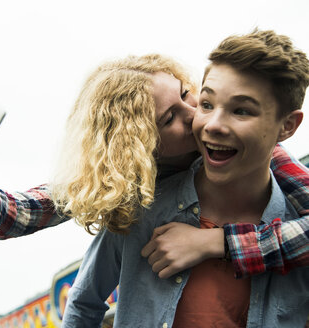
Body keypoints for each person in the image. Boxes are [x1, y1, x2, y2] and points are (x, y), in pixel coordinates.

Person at [0, 45, 309, 279]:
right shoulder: (128, 178)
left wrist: (216, 242)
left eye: (189, 95)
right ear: (136, 146)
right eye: (169, 118)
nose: (196, 116)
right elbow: (34, 207)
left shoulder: (250, 152)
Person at [62, 29, 309, 327]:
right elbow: (83, 304)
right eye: (206, 103)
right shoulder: (139, 210)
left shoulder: (297, 227)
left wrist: (217, 242)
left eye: (241, 111)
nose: (209, 124)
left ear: (288, 126)